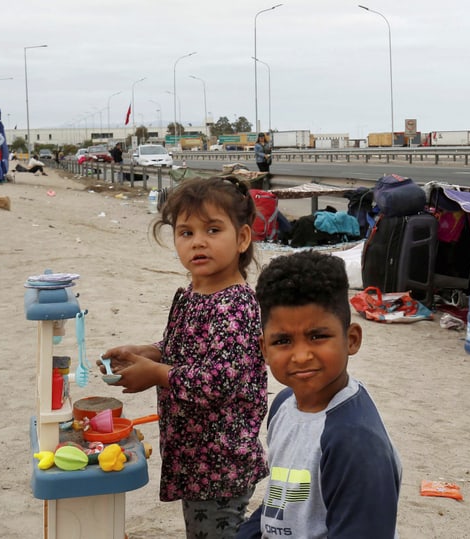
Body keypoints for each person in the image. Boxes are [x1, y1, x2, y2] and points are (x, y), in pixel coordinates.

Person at [98, 177, 268, 539]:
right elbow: (183, 348)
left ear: (242, 238)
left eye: (212, 229)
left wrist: (158, 374)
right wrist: (148, 353)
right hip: (196, 457)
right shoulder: (190, 294)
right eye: (186, 232)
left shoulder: (234, 305)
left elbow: (219, 380)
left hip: (221, 464)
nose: (198, 242)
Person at [238, 251, 402, 539]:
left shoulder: (354, 443)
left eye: (317, 336)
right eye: (283, 341)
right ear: (264, 349)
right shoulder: (283, 405)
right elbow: (278, 504)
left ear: (351, 339)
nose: (301, 356)